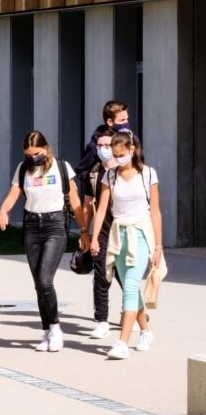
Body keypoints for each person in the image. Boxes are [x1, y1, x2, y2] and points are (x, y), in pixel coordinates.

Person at [0, 131, 83, 352]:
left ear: (46, 148)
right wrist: (3, 211)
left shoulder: (61, 167)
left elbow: (74, 200)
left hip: (55, 224)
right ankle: (46, 331)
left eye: (36, 153)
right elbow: (13, 194)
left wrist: (84, 231)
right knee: (38, 284)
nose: (33, 157)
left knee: (45, 280)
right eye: (28, 154)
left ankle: (55, 328)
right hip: (32, 225)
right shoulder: (23, 169)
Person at [90, 132, 163, 360]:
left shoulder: (148, 174)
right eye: (115, 155)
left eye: (122, 154)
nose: (119, 158)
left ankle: (122, 342)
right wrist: (94, 238)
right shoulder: (110, 176)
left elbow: (155, 211)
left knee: (130, 285)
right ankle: (146, 332)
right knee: (130, 288)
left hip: (141, 233)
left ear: (132, 150)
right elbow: (102, 209)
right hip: (118, 234)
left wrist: (158, 246)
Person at [80, 129, 120, 339]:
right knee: (101, 276)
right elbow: (87, 205)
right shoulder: (94, 173)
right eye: (100, 146)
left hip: (123, 229)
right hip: (101, 230)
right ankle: (102, 320)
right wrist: (85, 232)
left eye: (107, 145)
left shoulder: (126, 170)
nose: (103, 149)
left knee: (125, 276)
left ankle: (134, 314)